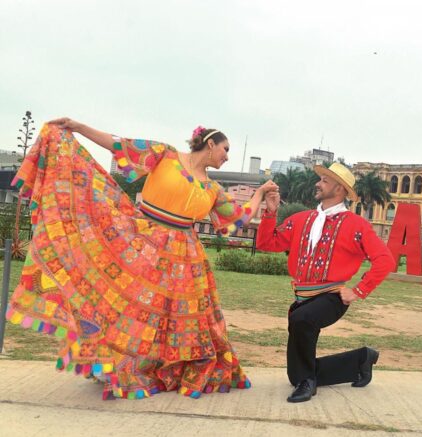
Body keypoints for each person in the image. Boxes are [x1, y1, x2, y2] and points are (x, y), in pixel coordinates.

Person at [7, 119, 278, 400]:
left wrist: (258, 194)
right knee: (124, 302)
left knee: (166, 316)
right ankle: (109, 361)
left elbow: (238, 218)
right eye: (225, 149)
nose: (227, 156)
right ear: (210, 144)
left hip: (186, 257)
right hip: (142, 242)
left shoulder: (212, 189)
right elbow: (119, 145)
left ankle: (151, 365)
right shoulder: (166, 155)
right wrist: (78, 127)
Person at [256, 162, 396, 403]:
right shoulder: (301, 220)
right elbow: (266, 243)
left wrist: (358, 290)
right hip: (303, 297)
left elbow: (385, 260)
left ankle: (308, 384)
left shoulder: (356, 225)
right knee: (295, 373)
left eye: (324, 180)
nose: (317, 184)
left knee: (301, 320)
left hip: (332, 296)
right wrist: (270, 212)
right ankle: (360, 360)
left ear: (340, 189)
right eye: (320, 179)